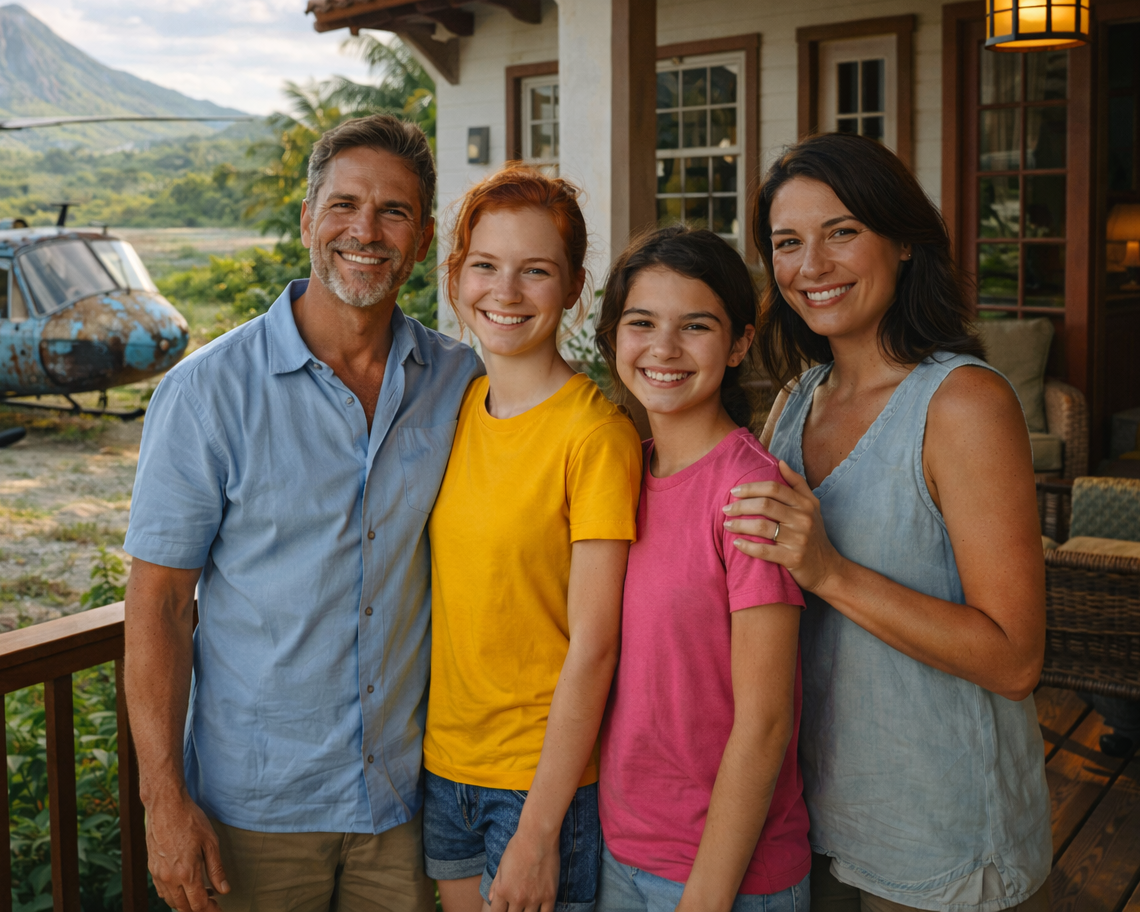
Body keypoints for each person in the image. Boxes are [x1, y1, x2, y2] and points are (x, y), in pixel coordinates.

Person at [123, 114, 483, 912]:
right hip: (253, 811)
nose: (367, 230)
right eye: (345, 205)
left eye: (393, 212)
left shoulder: (460, 380)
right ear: (307, 221)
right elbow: (159, 606)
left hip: (403, 804)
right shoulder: (207, 391)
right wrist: (163, 804)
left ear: (422, 239)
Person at [722, 133, 1051, 912]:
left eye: (842, 232)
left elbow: (1014, 659)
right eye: (788, 243)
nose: (813, 266)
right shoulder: (797, 401)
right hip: (818, 818)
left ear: (903, 240)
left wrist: (831, 571)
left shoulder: (964, 404)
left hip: (942, 842)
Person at [422, 165, 639, 912]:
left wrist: (540, 831)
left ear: (574, 287)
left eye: (535, 271)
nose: (505, 293)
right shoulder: (455, 404)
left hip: (541, 783)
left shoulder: (595, 434)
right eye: (485, 265)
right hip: (444, 766)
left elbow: (596, 645)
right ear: (456, 276)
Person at [592, 226, 810, 912]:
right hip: (620, 850)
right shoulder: (625, 470)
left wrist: (707, 897)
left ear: (741, 342)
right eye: (642, 323)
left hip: (726, 877)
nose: (664, 348)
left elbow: (766, 721)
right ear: (613, 336)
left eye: (696, 326)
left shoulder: (749, 496)